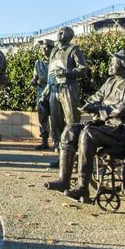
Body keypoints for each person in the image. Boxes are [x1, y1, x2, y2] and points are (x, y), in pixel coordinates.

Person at [45, 51, 125, 202]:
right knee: (70, 130)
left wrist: (101, 109)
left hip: (121, 130)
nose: (110, 65)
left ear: (123, 66)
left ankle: (82, 187)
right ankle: (64, 180)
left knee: (87, 134)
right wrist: (89, 104)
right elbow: (96, 97)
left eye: (113, 63)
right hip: (104, 126)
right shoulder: (109, 82)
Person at [43, 27, 87, 167]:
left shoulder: (74, 50)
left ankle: (76, 158)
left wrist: (66, 72)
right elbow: (50, 74)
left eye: (63, 32)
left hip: (68, 88)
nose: (59, 33)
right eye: (59, 31)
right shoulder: (54, 51)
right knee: (56, 124)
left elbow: (83, 70)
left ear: (69, 36)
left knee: (72, 123)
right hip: (54, 88)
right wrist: (46, 91)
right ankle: (62, 158)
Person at [31, 39, 54, 150]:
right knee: (42, 118)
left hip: (53, 93)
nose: (44, 50)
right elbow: (35, 76)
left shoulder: (55, 62)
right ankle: (44, 141)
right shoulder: (38, 63)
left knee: (55, 118)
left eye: (46, 47)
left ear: (51, 48)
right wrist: (34, 81)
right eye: (42, 48)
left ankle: (57, 142)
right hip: (41, 93)